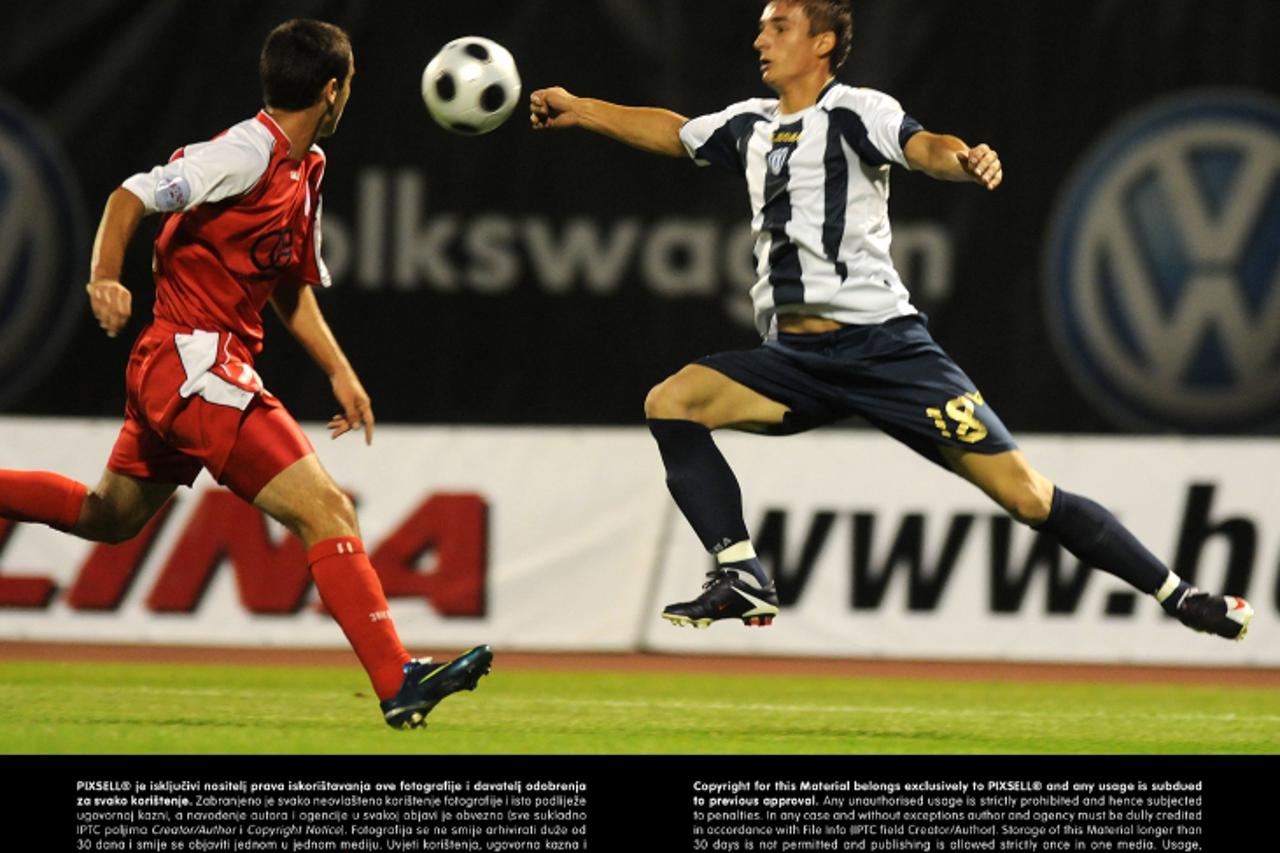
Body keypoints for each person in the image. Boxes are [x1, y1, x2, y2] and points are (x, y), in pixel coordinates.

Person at [530, 0, 1253, 641]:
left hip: (888, 352)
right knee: (673, 401)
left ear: (821, 44)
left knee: (1028, 496)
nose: (762, 39)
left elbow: (922, 146)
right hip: (795, 363)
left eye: (779, 26)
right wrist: (582, 107)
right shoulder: (748, 125)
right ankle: (741, 570)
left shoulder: (856, 109)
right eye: (760, 28)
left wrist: (963, 158)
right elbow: (676, 132)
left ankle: (1182, 595)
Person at [0, 19, 491, 728]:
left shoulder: (306, 168)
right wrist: (104, 276)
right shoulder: (245, 151)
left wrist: (341, 373)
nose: (347, 94)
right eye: (347, 83)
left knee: (108, 518)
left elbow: (289, 287)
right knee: (327, 510)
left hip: (177, 370)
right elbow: (129, 196)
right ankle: (398, 677)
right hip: (195, 361)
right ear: (331, 90)